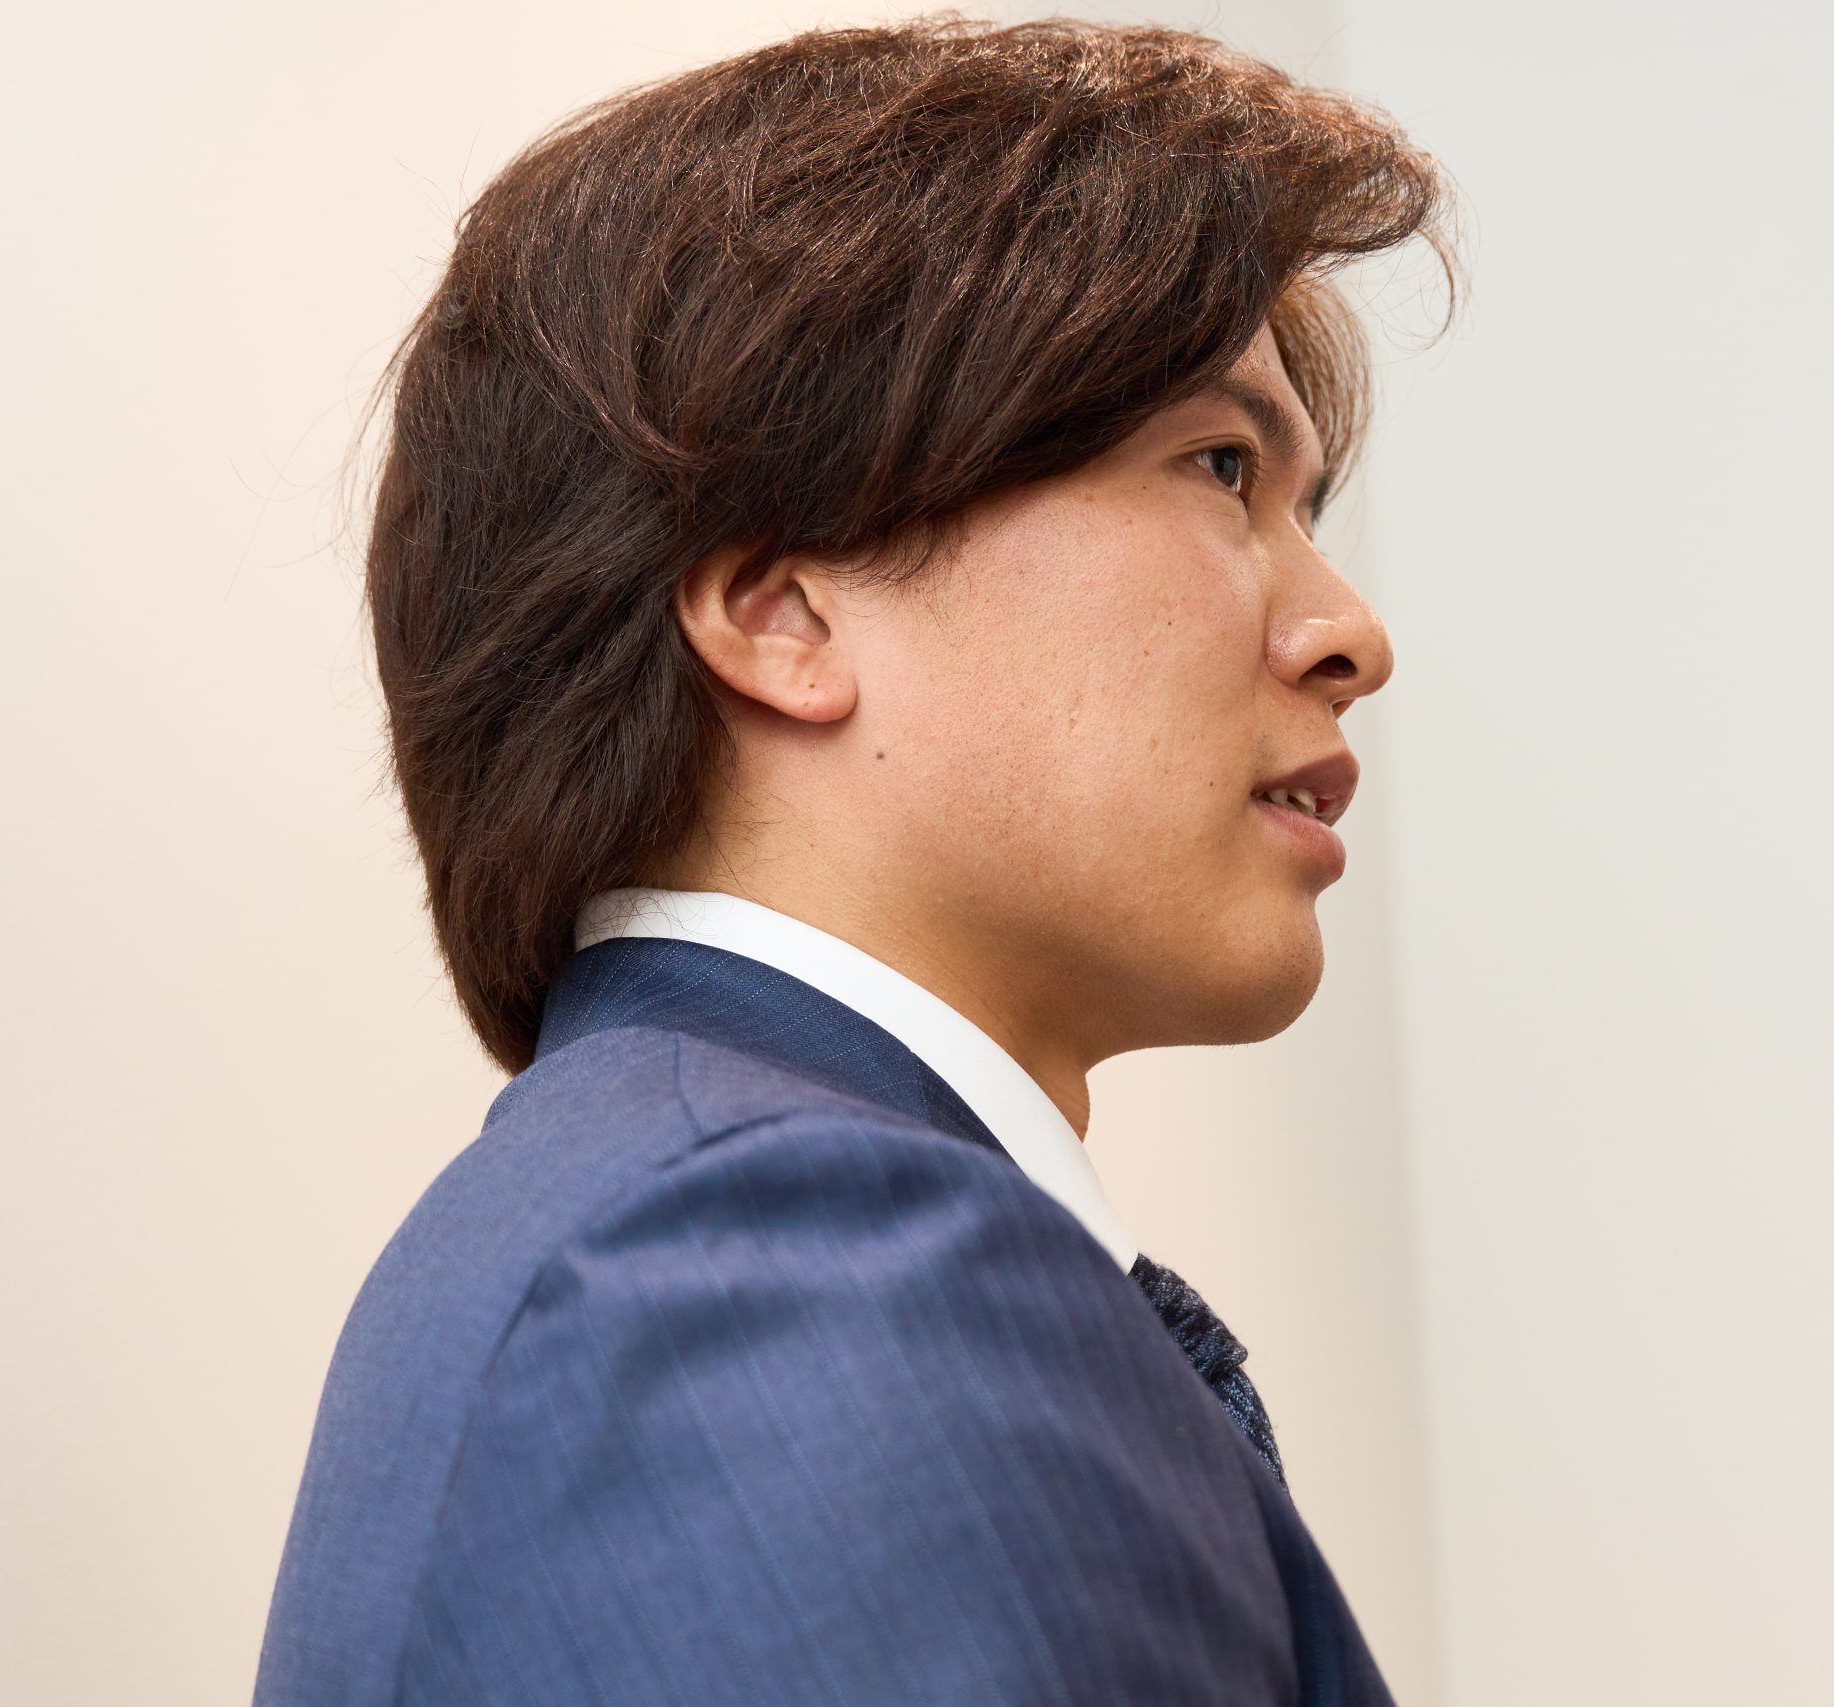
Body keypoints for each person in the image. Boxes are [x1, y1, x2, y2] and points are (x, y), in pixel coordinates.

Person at [254, 14, 1460, 1703]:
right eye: (1220, 466)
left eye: (1304, 509)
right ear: (784, 612)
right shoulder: (776, 1261)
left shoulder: (665, 1218)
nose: (1351, 636)